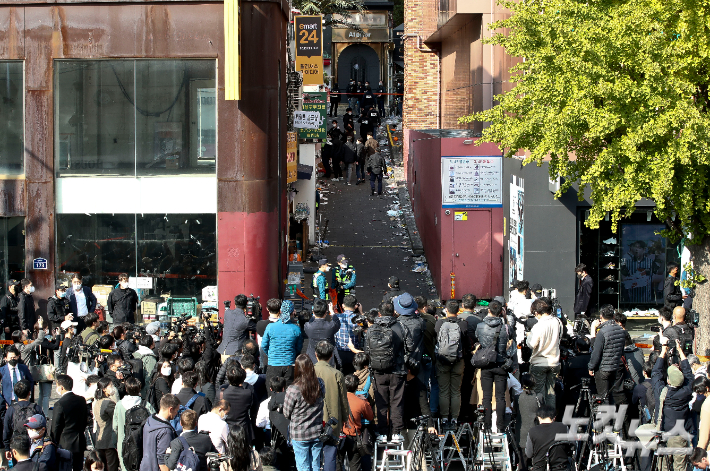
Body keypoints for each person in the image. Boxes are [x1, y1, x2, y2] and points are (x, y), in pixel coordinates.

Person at [652, 337, 694, 471]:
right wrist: (681, 351)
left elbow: (656, 373)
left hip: (664, 433)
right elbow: (689, 374)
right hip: (680, 436)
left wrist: (663, 351)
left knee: (663, 467)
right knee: (680, 467)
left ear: (668, 381)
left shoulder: (662, 393)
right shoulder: (686, 391)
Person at [366, 304, 406, 442]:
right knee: (396, 402)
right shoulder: (400, 327)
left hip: (378, 370)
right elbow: (409, 347)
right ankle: (396, 432)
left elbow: (367, 350)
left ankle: (382, 433)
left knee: (381, 402)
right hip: (397, 370)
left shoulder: (372, 329)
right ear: (394, 312)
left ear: (379, 313)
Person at [283, 354, 325, 471]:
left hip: (299, 433)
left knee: (303, 466)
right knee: (316, 465)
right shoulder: (320, 384)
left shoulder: (293, 389)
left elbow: (286, 413)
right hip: (316, 431)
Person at [313, 341, 350, 471]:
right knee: (330, 454)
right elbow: (343, 400)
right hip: (332, 420)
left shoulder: (308, 372)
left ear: (316, 355)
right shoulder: (337, 374)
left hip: (311, 421)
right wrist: (345, 419)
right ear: (331, 356)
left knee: (312, 456)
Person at [476, 300, 510, 432]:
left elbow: (477, 338)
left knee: (486, 397)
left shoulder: (480, 326)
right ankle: (500, 426)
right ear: (501, 312)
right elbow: (510, 339)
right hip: (501, 363)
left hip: (486, 364)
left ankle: (487, 425)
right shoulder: (506, 327)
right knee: (501, 397)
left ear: (488, 310)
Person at [526, 299, 562, 409]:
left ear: (537, 312)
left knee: (538, 393)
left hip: (539, 363)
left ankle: (540, 418)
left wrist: (528, 336)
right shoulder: (557, 321)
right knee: (551, 393)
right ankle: (550, 417)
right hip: (554, 362)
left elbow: (531, 344)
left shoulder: (538, 326)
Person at [587, 304, 626, 404]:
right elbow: (621, 351)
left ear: (601, 316)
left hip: (603, 369)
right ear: (613, 316)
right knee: (610, 395)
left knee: (603, 398)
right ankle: (612, 418)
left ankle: (606, 419)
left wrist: (591, 367)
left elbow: (596, 352)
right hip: (614, 367)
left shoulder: (602, 332)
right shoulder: (621, 330)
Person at [114, 377, 154, 471]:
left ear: (126, 389)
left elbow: (115, 426)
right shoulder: (146, 405)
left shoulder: (119, 405)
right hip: (142, 443)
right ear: (139, 389)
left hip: (124, 442)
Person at [50, 375, 88, 471]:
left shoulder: (59, 404)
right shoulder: (81, 400)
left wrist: (53, 442)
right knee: (78, 467)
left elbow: (55, 427)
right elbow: (85, 420)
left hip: (65, 443)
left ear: (61, 387)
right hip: (80, 441)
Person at [262, 300, 303, 386]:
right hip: (289, 364)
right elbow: (298, 348)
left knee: (272, 392)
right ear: (292, 313)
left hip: (273, 363)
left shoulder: (270, 327)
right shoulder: (296, 329)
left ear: (280, 311)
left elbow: (264, 345)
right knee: (288, 393)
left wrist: (271, 355)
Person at [341, 375, 374, 471]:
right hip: (355, 436)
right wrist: (366, 401)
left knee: (338, 463)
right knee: (355, 465)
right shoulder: (360, 402)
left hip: (340, 435)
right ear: (356, 387)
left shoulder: (338, 399)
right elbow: (370, 417)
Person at [140, 394, 180, 471]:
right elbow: (163, 461)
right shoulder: (165, 431)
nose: (176, 414)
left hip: (145, 466)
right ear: (170, 409)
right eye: (176, 411)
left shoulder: (149, 420)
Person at [3, 379, 43, 455]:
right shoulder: (36, 408)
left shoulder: (11, 409)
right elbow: (43, 427)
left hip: (17, 446)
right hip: (34, 446)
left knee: (18, 466)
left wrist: (7, 448)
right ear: (29, 393)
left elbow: (6, 430)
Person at [524, 405, 569, 471]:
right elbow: (573, 447)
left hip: (540, 468)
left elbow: (529, 454)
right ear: (554, 417)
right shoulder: (564, 427)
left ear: (539, 418)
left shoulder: (532, 431)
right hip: (561, 468)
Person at [220, 364, 255, 442]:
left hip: (227, 428)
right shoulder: (248, 393)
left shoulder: (222, 393)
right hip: (244, 428)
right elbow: (253, 409)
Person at [217, 295, 257, 363]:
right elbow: (257, 327)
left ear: (235, 304)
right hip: (235, 353)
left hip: (224, 350)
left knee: (226, 372)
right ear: (246, 306)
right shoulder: (245, 321)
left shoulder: (227, 313)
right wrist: (257, 314)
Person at [304, 300, 341, 368]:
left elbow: (310, 321)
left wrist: (313, 314)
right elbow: (337, 323)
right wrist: (332, 312)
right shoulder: (330, 326)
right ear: (326, 313)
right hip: (328, 359)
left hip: (312, 359)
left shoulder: (308, 326)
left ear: (313, 312)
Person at [93, 377, 119, 471]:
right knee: (111, 467)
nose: (113, 388)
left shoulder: (97, 402)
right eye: (111, 385)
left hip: (100, 441)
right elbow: (116, 419)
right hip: (109, 441)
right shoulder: (109, 403)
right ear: (104, 389)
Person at [335, 295, 361, 376]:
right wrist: (361, 312)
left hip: (340, 352)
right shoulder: (359, 318)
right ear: (355, 306)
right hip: (354, 352)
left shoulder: (337, 317)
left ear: (343, 305)